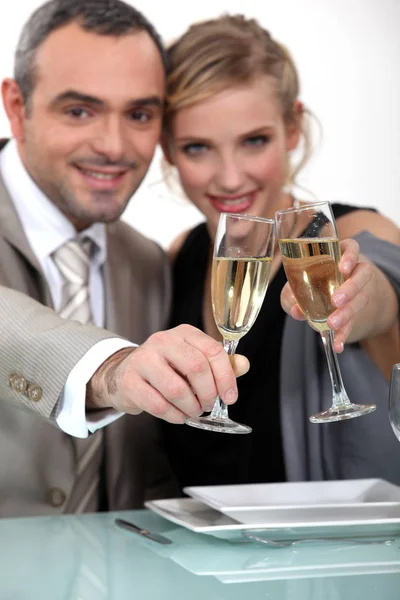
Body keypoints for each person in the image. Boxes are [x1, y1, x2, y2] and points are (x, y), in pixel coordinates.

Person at [0, 0, 248, 517]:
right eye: (79, 110)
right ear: (17, 107)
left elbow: (140, 468)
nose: (114, 146)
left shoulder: (148, 263)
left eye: (138, 114)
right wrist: (111, 368)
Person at [160, 14, 400, 489]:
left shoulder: (352, 231)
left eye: (254, 141)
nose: (229, 177)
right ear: (167, 149)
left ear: (292, 128)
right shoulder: (178, 258)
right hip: (190, 556)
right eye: (197, 147)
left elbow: (385, 292)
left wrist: (359, 296)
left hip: (322, 559)